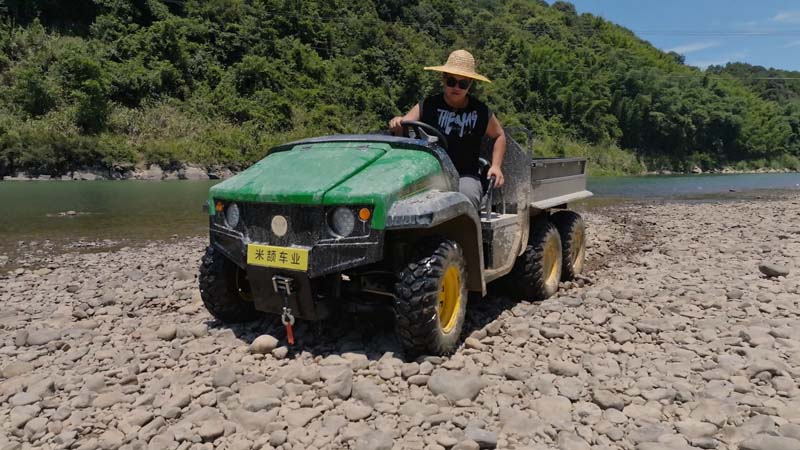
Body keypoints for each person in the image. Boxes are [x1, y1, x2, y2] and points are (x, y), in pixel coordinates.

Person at [389, 49, 506, 211]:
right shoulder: (428, 105)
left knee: (466, 199)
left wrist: (496, 166)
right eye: (451, 81)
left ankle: (465, 234)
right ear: (443, 80)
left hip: (465, 175)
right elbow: (404, 125)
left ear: (469, 85)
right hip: (429, 173)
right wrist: (397, 122)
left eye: (463, 83)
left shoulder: (480, 111)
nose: (456, 87)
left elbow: (499, 135)